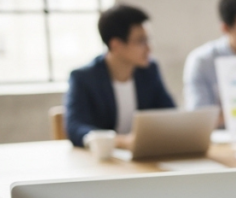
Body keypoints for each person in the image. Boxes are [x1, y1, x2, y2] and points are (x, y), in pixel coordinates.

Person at [64, 4, 175, 149]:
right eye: (141, 41)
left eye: (148, 39)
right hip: (106, 159)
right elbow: (75, 127)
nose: (149, 48)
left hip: (144, 156)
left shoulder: (149, 70)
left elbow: (169, 113)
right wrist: (120, 141)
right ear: (116, 45)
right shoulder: (83, 77)